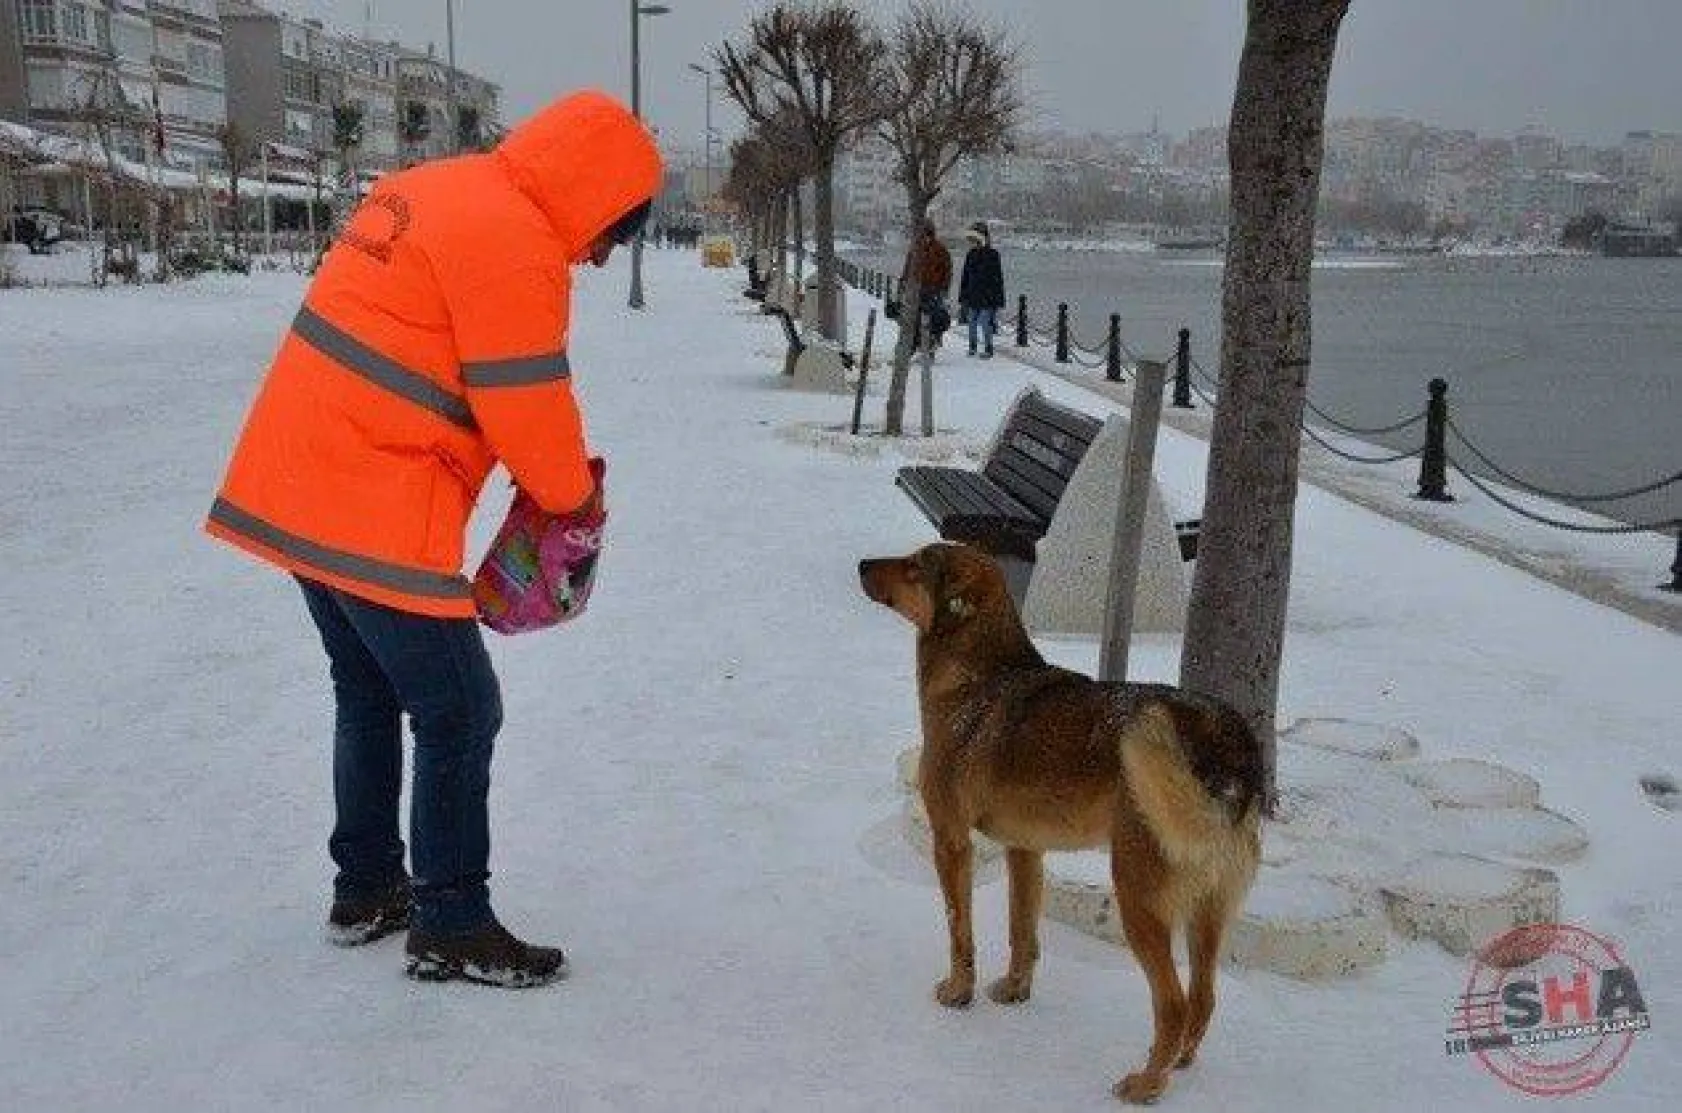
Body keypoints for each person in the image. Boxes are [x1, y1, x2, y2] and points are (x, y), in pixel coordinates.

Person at [205, 90, 662, 989]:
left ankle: (368, 886)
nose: (605, 256)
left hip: (301, 474)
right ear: (597, 196)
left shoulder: (436, 185)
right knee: (460, 707)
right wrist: (574, 501)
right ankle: (451, 917)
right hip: (372, 492)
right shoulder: (515, 241)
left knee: (369, 685)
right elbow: (526, 398)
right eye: (616, 231)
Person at [901, 218, 952, 349]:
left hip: (934, 288)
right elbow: (908, 268)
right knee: (917, 317)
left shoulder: (940, 249)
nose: (924, 237)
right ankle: (920, 343)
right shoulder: (915, 249)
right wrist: (904, 283)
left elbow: (947, 269)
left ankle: (933, 340)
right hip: (919, 288)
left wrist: (944, 287)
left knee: (934, 316)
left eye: (925, 234)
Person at [958, 221, 1005, 358]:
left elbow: (997, 278)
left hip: (987, 296)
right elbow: (965, 276)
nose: (972, 242)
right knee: (972, 322)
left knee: (985, 322)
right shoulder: (970, 254)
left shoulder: (993, 255)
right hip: (973, 295)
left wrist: (998, 299)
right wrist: (963, 296)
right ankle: (972, 346)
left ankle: (988, 348)